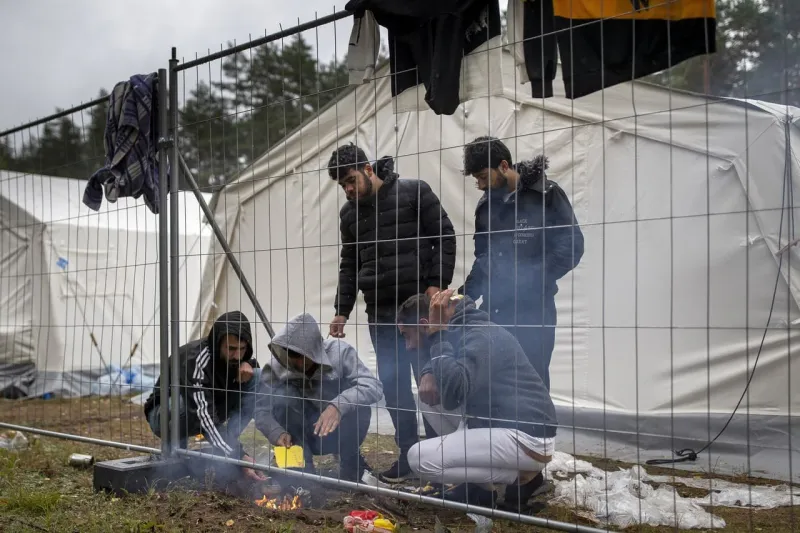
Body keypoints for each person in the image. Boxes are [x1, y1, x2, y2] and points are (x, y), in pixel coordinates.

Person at [326, 143, 457, 483]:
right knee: (393, 385)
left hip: (419, 311)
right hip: (381, 313)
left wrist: (436, 286)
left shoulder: (414, 192)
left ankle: (440, 456)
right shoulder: (349, 215)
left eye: (351, 180)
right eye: (342, 185)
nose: (348, 190)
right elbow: (349, 264)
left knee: (430, 380)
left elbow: (445, 236)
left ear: (368, 169)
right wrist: (342, 310)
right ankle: (410, 455)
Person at [397, 290, 558, 511]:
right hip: (497, 421)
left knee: (418, 458)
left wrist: (438, 337)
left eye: (407, 336)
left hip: (528, 437)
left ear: (426, 325)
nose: (408, 346)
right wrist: (428, 370)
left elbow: (455, 390)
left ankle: (524, 478)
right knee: (427, 398)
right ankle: (480, 490)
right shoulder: (460, 330)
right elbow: (450, 371)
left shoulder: (480, 334)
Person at [460, 136, 585, 392]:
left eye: (483, 176)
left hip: (535, 311)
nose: (480, 185)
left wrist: (529, 278)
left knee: (532, 383)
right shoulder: (486, 207)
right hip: (495, 311)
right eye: (476, 179)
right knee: (497, 385)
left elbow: (572, 246)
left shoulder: (546, 195)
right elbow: (483, 259)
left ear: (504, 166)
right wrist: (464, 296)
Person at [254, 313, 383, 482]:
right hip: (302, 434)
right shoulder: (275, 367)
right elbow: (261, 410)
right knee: (284, 397)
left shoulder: (340, 353)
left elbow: (373, 386)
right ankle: (301, 471)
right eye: (291, 356)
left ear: (314, 349)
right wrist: (276, 433)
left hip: (338, 431)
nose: (297, 363)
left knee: (359, 406)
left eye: (301, 356)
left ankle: (351, 464)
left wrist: (338, 406)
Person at [143, 311, 266, 481]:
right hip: (164, 414)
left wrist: (249, 364)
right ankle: (173, 453)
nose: (237, 356)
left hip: (206, 406)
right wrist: (239, 456)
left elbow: (247, 377)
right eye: (231, 349)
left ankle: (225, 445)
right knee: (183, 402)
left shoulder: (237, 358)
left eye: (242, 349)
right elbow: (204, 416)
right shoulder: (196, 361)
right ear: (218, 344)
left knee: (257, 376)